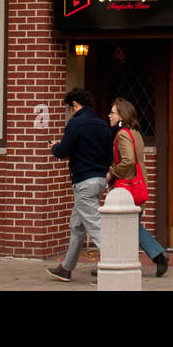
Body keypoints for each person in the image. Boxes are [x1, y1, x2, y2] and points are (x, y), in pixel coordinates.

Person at [47, 87, 113, 282]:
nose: (70, 112)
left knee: (95, 226)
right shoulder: (102, 125)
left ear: (75, 104)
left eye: (70, 108)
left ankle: (113, 267)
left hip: (83, 181)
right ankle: (66, 268)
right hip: (100, 180)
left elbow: (63, 150)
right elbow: (109, 154)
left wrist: (54, 147)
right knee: (77, 225)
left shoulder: (76, 124)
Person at [108, 98, 170, 277]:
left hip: (127, 188)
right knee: (130, 226)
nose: (109, 115)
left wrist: (111, 172)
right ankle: (119, 261)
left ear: (122, 115)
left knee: (130, 226)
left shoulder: (123, 134)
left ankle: (158, 255)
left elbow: (128, 161)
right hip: (137, 185)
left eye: (112, 112)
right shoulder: (135, 133)